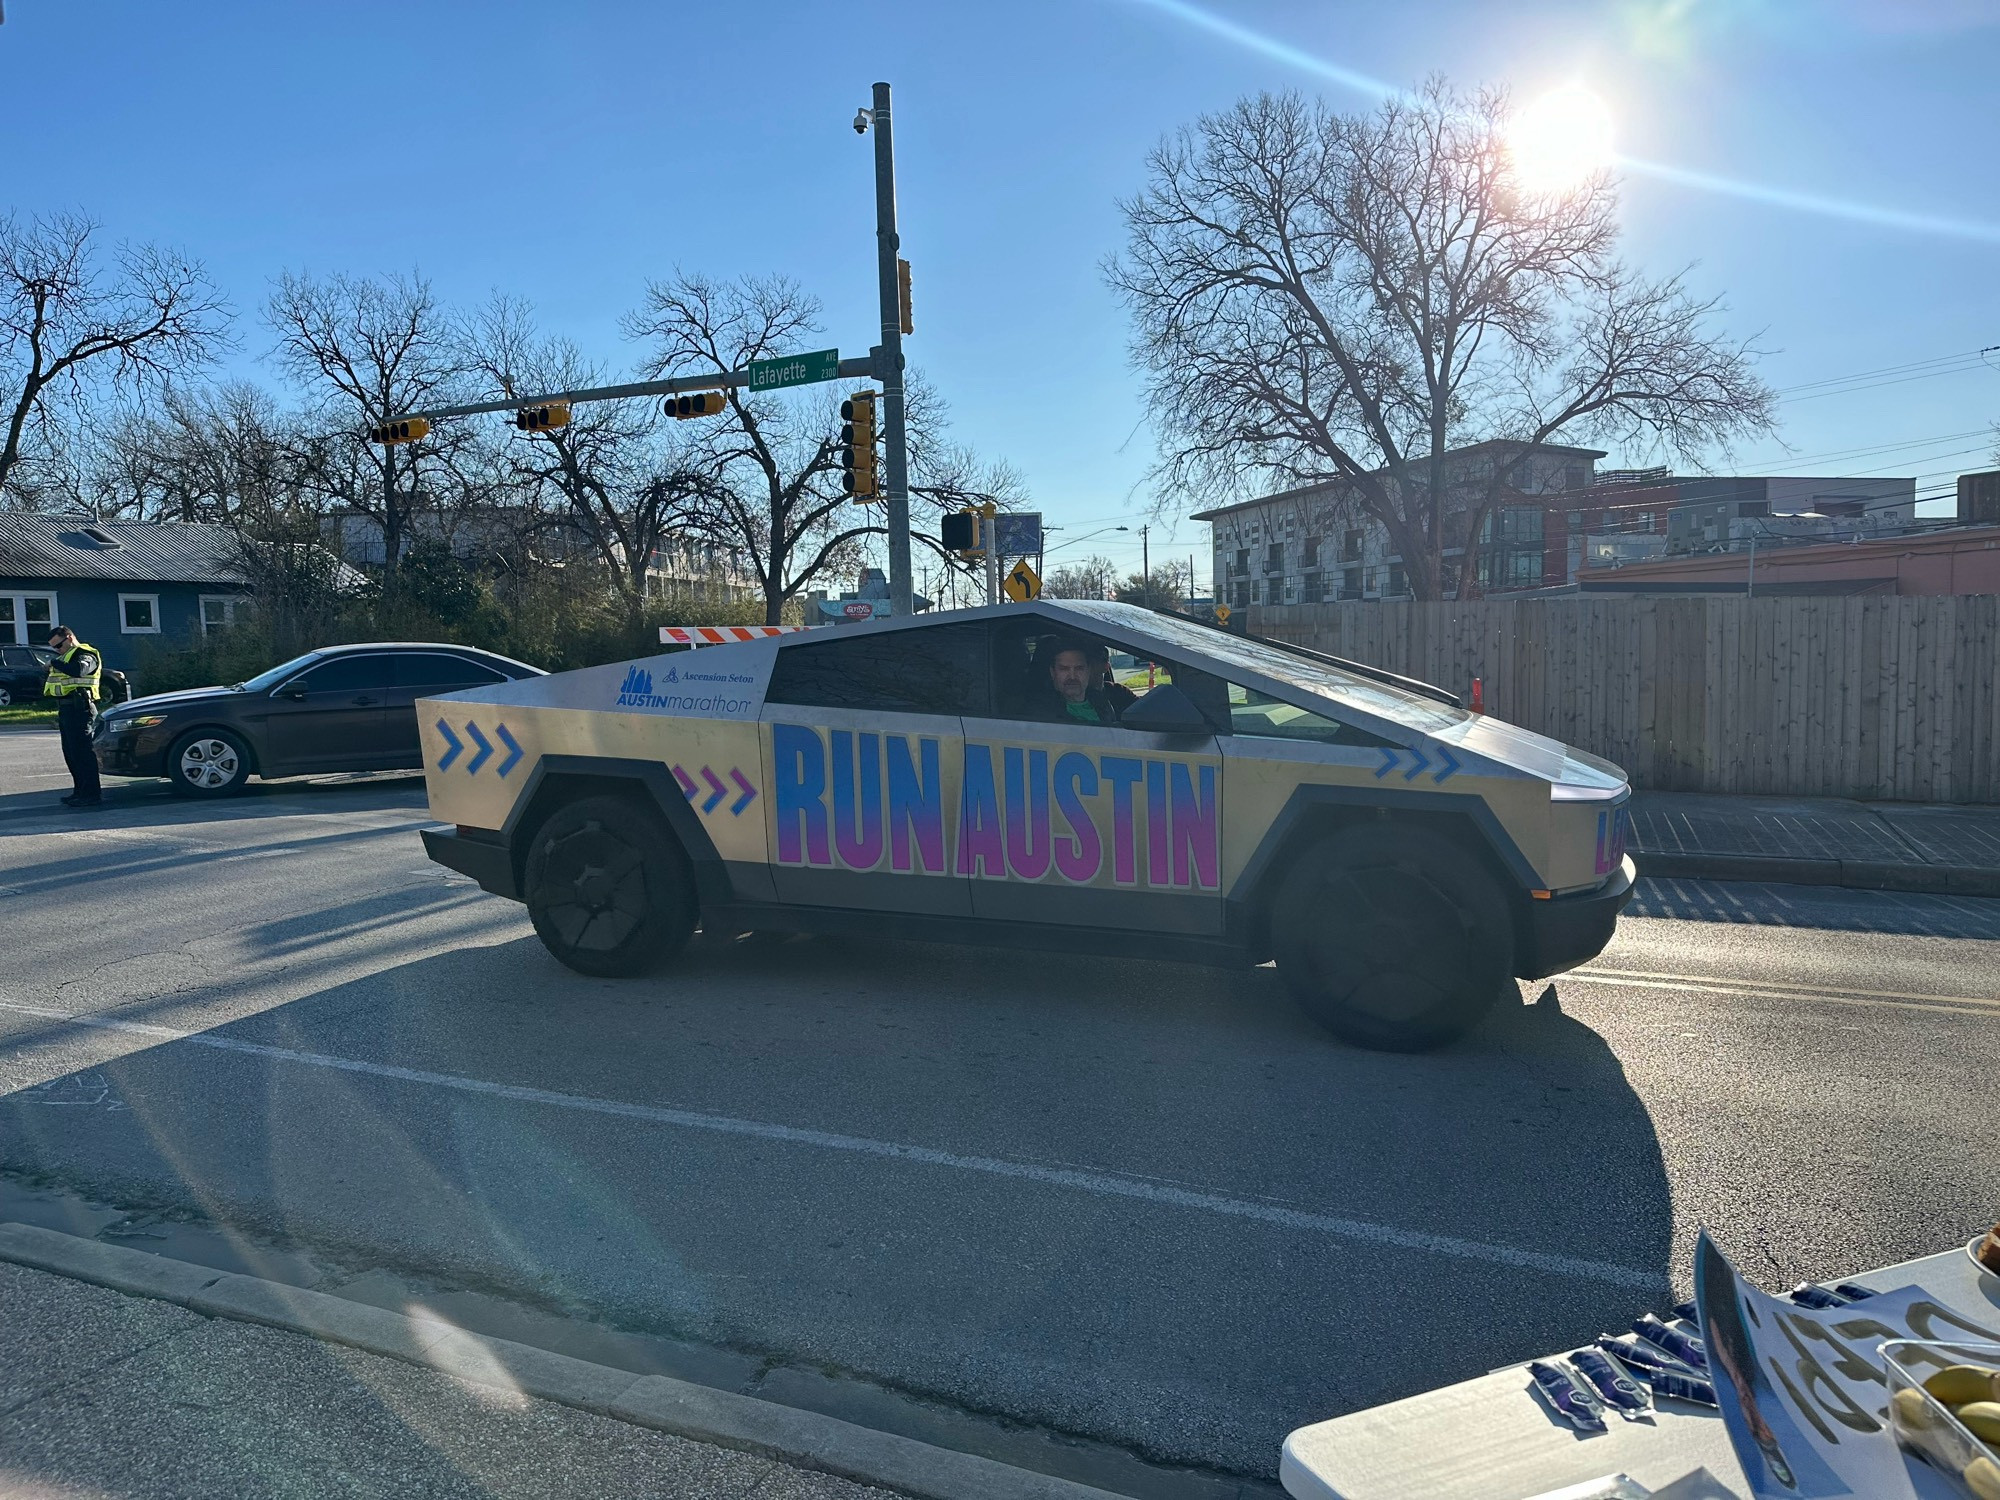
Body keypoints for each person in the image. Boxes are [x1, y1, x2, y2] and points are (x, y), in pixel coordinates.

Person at [45, 626, 104, 810]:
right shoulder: (65, 657)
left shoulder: (86, 654)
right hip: (67, 710)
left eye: (59, 645)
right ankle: (80, 791)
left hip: (81, 709)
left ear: (69, 638)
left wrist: (56, 662)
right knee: (71, 753)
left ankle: (91, 794)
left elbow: (80, 670)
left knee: (83, 753)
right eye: (54, 648)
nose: (57, 650)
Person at [1037, 637, 1122, 726]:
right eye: (1064, 669)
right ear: (1053, 672)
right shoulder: (1040, 713)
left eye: (1079, 668)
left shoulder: (1101, 703)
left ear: (1089, 671)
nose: (1072, 676)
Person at [1085, 643, 1139, 715]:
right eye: (1081, 666)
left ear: (1106, 667)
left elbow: (1141, 707)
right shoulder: (1076, 696)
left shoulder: (1119, 691)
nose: (1087, 669)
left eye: (1092, 664)